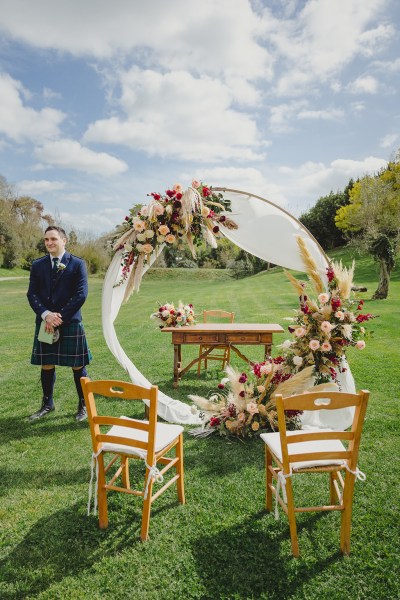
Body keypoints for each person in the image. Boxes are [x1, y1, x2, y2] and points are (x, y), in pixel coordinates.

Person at [27, 226, 92, 422]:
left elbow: (81, 294)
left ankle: (84, 405)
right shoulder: (37, 265)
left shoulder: (77, 264)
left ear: (64, 240)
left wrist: (59, 317)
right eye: (46, 239)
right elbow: (32, 294)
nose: (49, 243)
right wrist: (47, 315)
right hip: (46, 322)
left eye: (53, 239)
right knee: (46, 363)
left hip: (70, 321)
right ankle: (47, 403)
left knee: (77, 364)